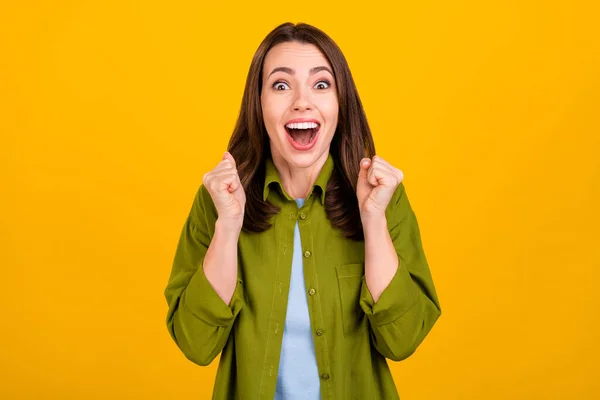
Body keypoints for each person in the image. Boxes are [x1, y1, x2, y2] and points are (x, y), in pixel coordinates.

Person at [164, 22, 442, 399]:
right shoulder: (217, 201)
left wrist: (373, 221)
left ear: (340, 103)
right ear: (258, 103)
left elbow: (403, 340)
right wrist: (227, 227)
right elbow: (196, 344)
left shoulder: (383, 198)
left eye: (321, 84)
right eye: (281, 85)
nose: (301, 101)